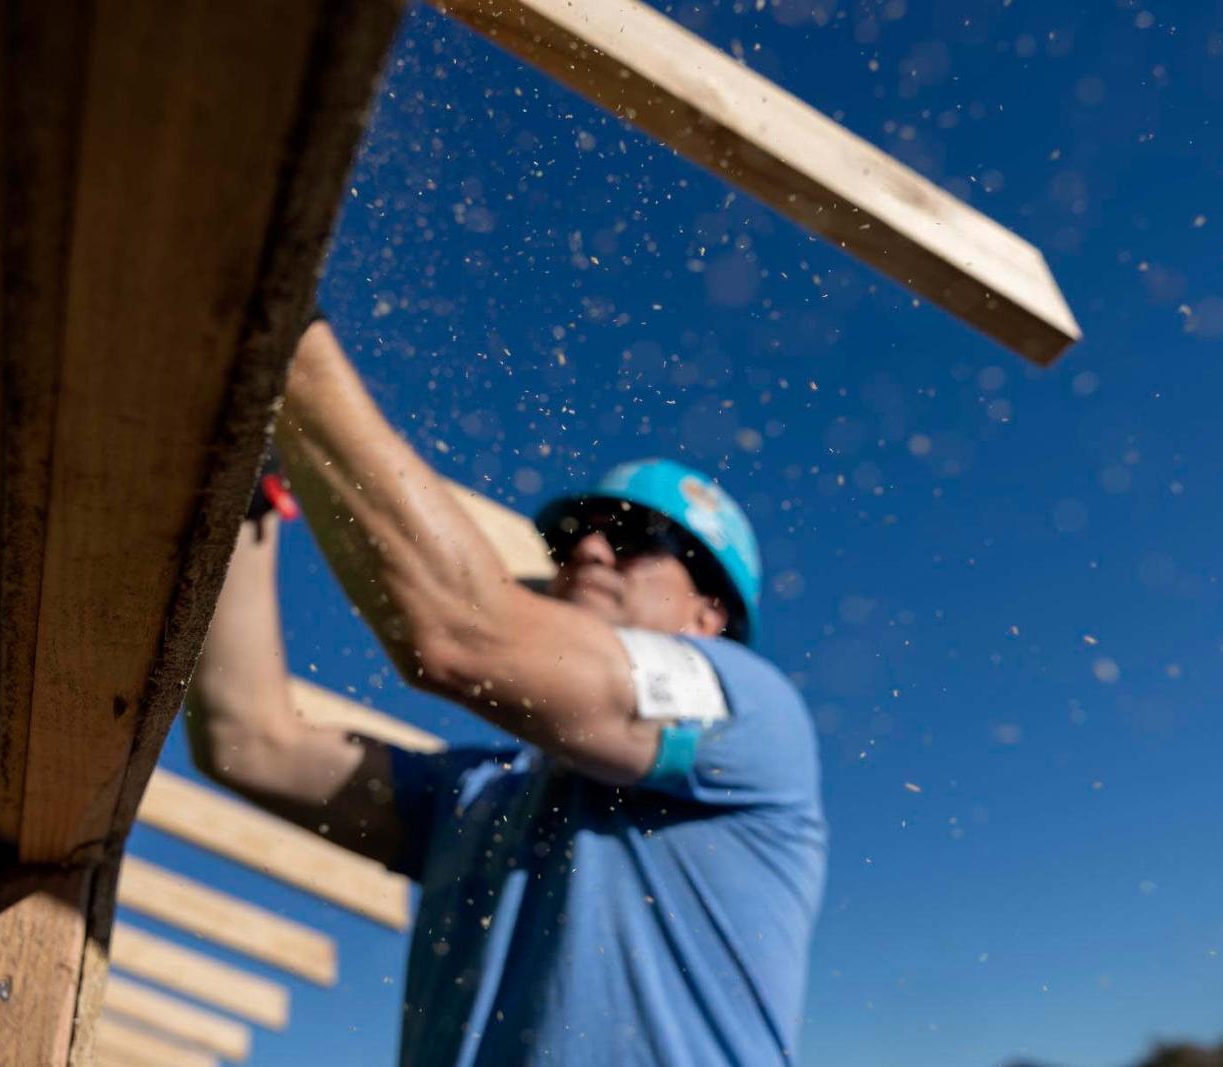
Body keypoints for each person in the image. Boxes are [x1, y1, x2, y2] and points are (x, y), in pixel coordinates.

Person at [186, 316, 827, 1066]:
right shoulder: (479, 796)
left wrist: (279, 331)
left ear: (709, 613)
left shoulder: (746, 712)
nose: (589, 548)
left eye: (632, 537)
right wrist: (247, 488)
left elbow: (458, 633)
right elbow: (248, 738)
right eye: (575, 536)